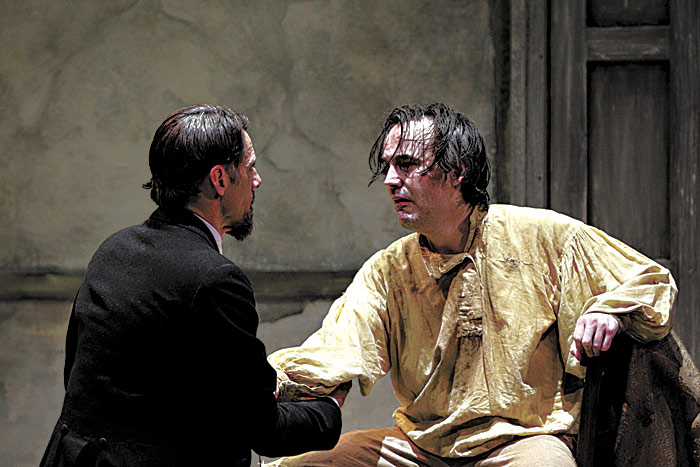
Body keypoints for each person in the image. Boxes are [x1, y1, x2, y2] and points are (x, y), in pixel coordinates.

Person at [266, 103, 677, 466]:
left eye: (406, 164)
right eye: (387, 166)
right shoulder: (388, 270)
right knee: (303, 464)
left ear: (457, 170)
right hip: (421, 446)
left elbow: (650, 280)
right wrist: (266, 383)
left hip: (523, 440)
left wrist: (609, 311)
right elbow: (334, 351)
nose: (390, 180)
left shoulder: (543, 236)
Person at [40, 104, 348, 467]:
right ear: (219, 179)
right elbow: (261, 428)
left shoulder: (113, 250)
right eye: (250, 167)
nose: (257, 180)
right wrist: (329, 408)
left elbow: (81, 378)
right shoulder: (216, 280)